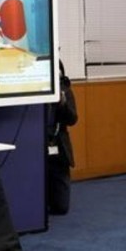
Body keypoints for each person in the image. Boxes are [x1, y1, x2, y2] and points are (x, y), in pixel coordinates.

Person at [47, 61, 78, 215]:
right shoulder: (36, 92)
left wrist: (63, 104)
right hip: (38, 147)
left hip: (59, 148)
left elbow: (73, 119)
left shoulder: (64, 90)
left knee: (61, 207)